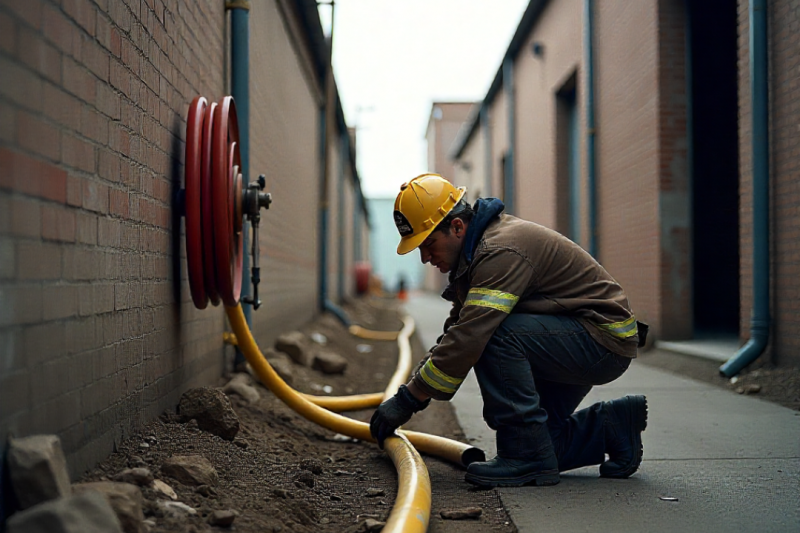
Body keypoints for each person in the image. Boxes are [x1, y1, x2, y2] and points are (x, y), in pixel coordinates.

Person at [370, 174, 649, 488]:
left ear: (457, 227)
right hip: (579, 339)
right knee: (545, 442)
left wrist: (409, 400)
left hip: (601, 341)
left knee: (493, 335)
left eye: (428, 244)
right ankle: (612, 426)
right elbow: (456, 333)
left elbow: (470, 337)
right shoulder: (475, 257)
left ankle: (525, 455)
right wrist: (409, 393)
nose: (424, 258)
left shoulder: (498, 252)